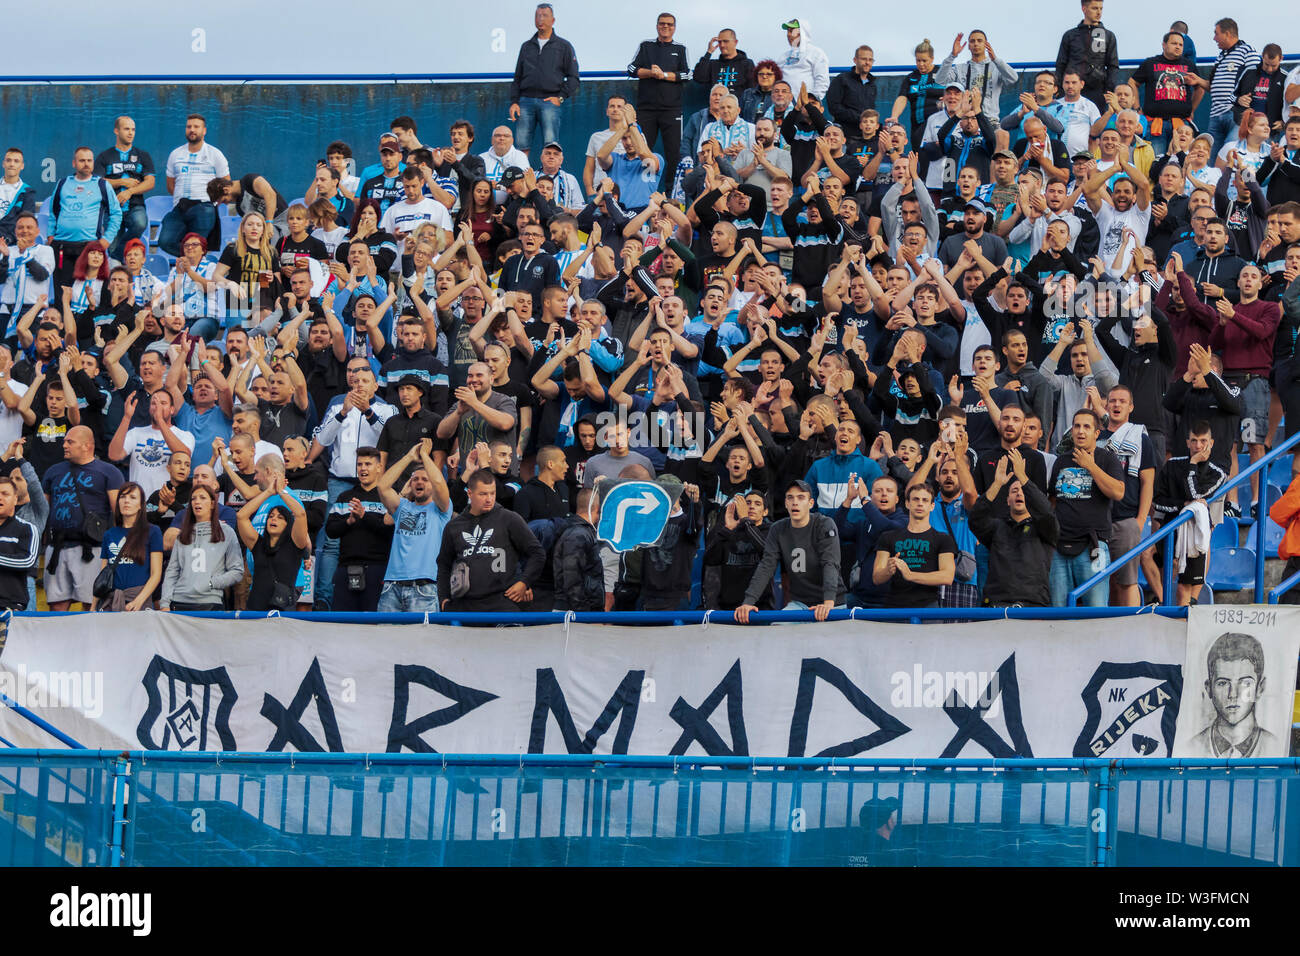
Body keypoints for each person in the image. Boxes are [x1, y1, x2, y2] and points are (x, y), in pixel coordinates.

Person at [438, 467, 545, 612]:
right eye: (483, 494)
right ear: (469, 493)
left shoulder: (509, 518)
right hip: (465, 606)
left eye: (492, 493)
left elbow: (537, 553)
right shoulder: (453, 526)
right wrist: (443, 599)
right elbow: (444, 564)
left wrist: (524, 582)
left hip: (503, 604)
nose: (489, 499)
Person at [735, 479, 843, 621]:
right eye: (790, 498)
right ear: (786, 503)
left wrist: (828, 603)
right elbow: (767, 566)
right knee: (779, 631)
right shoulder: (778, 529)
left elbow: (830, 563)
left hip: (832, 602)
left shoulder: (824, 524)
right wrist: (748, 602)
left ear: (811, 503)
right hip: (800, 603)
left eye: (801, 497)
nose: (795, 502)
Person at [1048, 408, 1125, 606]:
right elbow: (1052, 500)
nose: (1081, 431)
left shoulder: (1107, 459)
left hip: (1093, 546)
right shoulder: (1061, 460)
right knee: (1058, 612)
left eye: (1086, 427)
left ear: (1096, 433)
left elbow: (1118, 492)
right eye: (1077, 426)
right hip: (1059, 546)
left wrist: (1090, 465)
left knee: (1095, 613)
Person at [41, 424, 122, 610]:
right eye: (64, 441)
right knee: (57, 605)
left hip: (91, 548)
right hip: (58, 546)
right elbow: (43, 510)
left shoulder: (108, 472)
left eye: (70, 441)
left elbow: (118, 512)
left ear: (87, 445)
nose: (64, 445)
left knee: (90, 604)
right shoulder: (53, 471)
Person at [1151, 421, 1227, 606]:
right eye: (1194, 441)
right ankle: (1161, 601)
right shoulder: (1171, 465)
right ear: (1187, 442)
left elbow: (1196, 495)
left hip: (1193, 535)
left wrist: (1193, 464)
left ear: (1211, 442)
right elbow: (1158, 502)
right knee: (1145, 555)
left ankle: (1181, 629)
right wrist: (1183, 505)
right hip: (1168, 531)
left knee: (1182, 590)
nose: (1198, 446)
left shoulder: (1218, 474)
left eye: (1203, 441)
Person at [970, 449, 1057, 606]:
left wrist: (1023, 477)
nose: (1019, 494)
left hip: (1033, 607)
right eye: (1014, 491)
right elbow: (975, 519)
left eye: (1023, 491)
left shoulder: (1044, 529)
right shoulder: (996, 527)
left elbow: (1046, 513)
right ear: (1008, 500)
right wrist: (997, 484)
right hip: (997, 606)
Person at [377, 439, 453, 613]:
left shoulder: (441, 509)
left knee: (422, 640)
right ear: (410, 484)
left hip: (424, 588)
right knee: (384, 640)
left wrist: (425, 456)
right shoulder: (402, 507)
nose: (420, 482)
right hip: (391, 586)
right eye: (415, 479)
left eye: (425, 480)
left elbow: (440, 484)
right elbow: (382, 486)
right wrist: (409, 456)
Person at [1188, 632, 1278, 758]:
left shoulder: (1276, 747)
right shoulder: (1191, 747)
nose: (1233, 694)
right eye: (1223, 683)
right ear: (1209, 688)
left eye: (1245, 682)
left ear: (1260, 688)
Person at [627, 13, 690, 191]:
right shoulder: (646, 46)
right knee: (643, 151)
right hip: (646, 109)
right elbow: (631, 69)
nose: (665, 27)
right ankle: (644, 191)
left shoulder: (680, 49)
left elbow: (686, 74)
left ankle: (671, 193)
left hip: (672, 110)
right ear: (657, 26)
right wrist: (650, 73)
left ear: (674, 28)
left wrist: (663, 75)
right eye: (662, 24)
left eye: (670, 24)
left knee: (674, 154)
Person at [508, 4, 580, 157]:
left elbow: (574, 78)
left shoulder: (564, 46)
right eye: (537, 15)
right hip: (525, 101)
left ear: (553, 20)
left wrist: (560, 97)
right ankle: (521, 178)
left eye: (544, 15)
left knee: (551, 146)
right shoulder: (526, 47)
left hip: (550, 101)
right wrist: (514, 101)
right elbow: (517, 78)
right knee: (522, 146)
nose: (540, 19)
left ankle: (548, 179)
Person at [47, 147, 122, 291]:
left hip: (89, 247)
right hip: (62, 246)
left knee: (87, 292)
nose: (86, 164)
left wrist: (107, 239)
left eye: (89, 160)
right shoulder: (63, 184)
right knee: (61, 292)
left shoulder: (101, 185)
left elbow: (116, 214)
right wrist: (51, 236)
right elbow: (53, 212)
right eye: (82, 160)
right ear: (74, 163)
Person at [872, 482, 957, 608]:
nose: (920, 503)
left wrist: (910, 575)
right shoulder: (888, 537)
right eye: (916, 499)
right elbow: (876, 577)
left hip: (927, 606)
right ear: (907, 504)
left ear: (932, 506)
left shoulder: (943, 539)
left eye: (925, 500)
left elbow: (947, 576)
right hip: (894, 606)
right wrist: (888, 570)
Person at [158, 484, 242, 611]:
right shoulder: (183, 534)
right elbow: (172, 571)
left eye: (202, 497)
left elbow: (237, 571)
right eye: (193, 498)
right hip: (179, 601)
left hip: (210, 602)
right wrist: (164, 603)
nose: (197, 501)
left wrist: (211, 583)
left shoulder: (226, 532)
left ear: (213, 504)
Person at [236, 477, 311, 612]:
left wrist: (282, 492)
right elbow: (242, 516)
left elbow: (300, 514)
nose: (273, 518)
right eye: (271, 516)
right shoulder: (258, 544)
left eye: (280, 517)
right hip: (255, 611)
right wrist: (269, 492)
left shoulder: (295, 545)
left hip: (282, 613)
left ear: (288, 524)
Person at [158, 114, 229, 256]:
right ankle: (193, 260)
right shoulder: (175, 154)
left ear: (204, 131)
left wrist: (213, 204)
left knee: (195, 244)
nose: (192, 130)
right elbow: (171, 186)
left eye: (196, 127)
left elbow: (227, 187)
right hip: (179, 207)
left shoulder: (215, 154)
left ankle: (194, 262)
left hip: (203, 207)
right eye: (189, 126)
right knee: (165, 241)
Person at [94, 481, 164, 612]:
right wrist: (94, 606)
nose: (126, 501)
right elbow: (103, 574)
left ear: (140, 505)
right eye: (123, 497)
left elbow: (156, 574)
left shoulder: (153, 531)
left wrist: (139, 601)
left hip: (140, 602)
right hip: (111, 601)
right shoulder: (109, 534)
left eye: (132, 497)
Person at [95, 116, 155, 261]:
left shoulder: (143, 155)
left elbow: (150, 182)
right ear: (116, 130)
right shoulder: (104, 156)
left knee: (140, 223)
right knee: (113, 249)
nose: (130, 133)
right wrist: (121, 182)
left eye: (133, 129)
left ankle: (117, 256)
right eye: (126, 129)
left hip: (135, 206)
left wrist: (129, 191)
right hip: (111, 208)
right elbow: (97, 182)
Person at [937, 31, 1017, 123]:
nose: (976, 44)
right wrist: (952, 56)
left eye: (979, 41)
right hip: (965, 120)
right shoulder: (960, 69)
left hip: (989, 120)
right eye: (972, 41)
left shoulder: (996, 67)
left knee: (1001, 135)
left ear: (986, 44)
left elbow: (1013, 78)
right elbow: (940, 80)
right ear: (968, 46)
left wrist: (995, 59)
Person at [1207, 19, 1260, 158]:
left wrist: (1241, 100)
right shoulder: (1220, 56)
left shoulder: (1247, 51)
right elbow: (1213, 85)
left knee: (1230, 154)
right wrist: (1197, 80)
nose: (1214, 38)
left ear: (1228, 34)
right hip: (1215, 115)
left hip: (1236, 115)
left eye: (1216, 34)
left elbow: (1257, 78)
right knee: (1211, 156)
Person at [1054, 0, 1119, 111]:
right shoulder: (1070, 35)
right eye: (1095, 8)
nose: (1099, 12)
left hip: (1097, 91)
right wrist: (1059, 89)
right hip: (1072, 88)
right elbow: (1061, 64)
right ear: (1084, 9)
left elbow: (1113, 66)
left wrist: (1108, 92)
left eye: (1101, 8)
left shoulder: (1108, 36)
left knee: (1096, 125)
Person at [552, 485, 605, 611]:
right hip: (574, 611)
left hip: (577, 608)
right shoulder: (578, 535)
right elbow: (571, 577)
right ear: (597, 509)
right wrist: (583, 610)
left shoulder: (579, 532)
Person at [0, 475, 37, 611]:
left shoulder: (26, 528)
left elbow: (27, 560)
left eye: (5, 494)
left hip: (10, 607)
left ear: (15, 499)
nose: (0, 498)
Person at [692, 28, 755, 97]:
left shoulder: (747, 64)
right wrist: (709, 52)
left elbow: (752, 89)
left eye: (725, 41)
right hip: (717, 105)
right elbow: (698, 77)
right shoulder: (713, 64)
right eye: (719, 42)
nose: (722, 45)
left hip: (737, 105)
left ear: (735, 42)